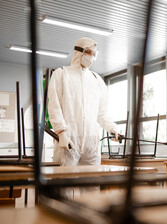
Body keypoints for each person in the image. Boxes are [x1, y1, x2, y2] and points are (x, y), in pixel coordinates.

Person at [48, 37, 119, 167]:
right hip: (69, 140)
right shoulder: (61, 74)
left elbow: (102, 113)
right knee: (64, 183)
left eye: (94, 54)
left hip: (91, 143)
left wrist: (112, 128)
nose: (91, 57)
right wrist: (61, 133)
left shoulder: (96, 80)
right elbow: (54, 107)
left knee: (91, 183)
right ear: (78, 52)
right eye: (88, 52)